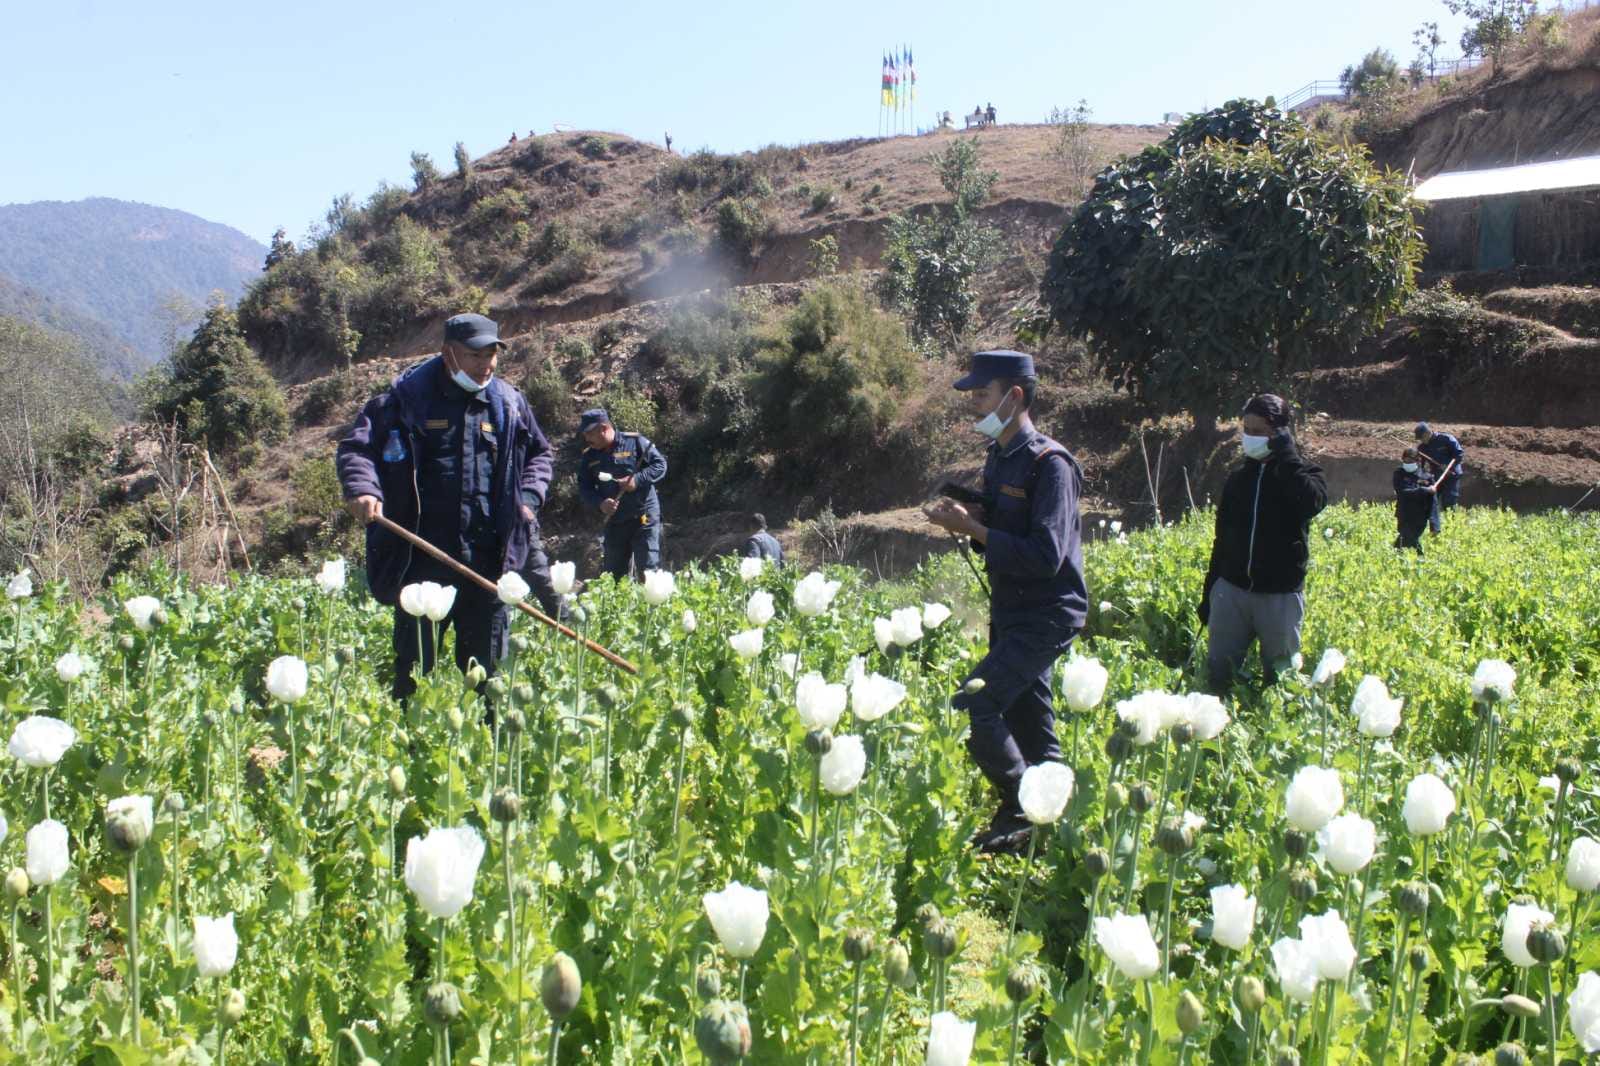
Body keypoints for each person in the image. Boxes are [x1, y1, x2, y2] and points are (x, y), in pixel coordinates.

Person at [337, 313, 554, 699]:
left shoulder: (508, 402)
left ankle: (487, 752)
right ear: (448, 354)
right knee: (415, 677)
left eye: (492, 354)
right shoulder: (406, 399)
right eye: (475, 355)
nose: (486, 364)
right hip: (421, 562)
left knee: (487, 678)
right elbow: (358, 448)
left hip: (487, 564)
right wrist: (363, 488)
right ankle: (416, 751)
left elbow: (540, 453)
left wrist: (529, 497)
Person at [926, 350, 1086, 855]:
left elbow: (1045, 556)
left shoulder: (1050, 465)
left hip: (1046, 612)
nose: (974, 406)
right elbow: (1004, 529)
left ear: (1014, 396)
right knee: (1027, 719)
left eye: (981, 395)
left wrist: (972, 527)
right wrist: (973, 514)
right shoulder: (1000, 457)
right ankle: (1058, 825)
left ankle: (1021, 808)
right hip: (1013, 608)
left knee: (975, 702)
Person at [1198, 394, 1327, 692]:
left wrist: (1288, 456)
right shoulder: (1238, 480)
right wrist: (1210, 592)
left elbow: (1311, 503)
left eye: (1259, 431)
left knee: (1280, 684)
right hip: (1231, 592)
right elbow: (1222, 541)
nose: (1250, 438)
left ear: (1280, 433)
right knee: (1218, 679)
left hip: (1279, 597)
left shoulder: (1304, 474)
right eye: (1247, 430)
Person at [577, 408, 668, 580]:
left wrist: (637, 480)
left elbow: (660, 465)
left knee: (648, 572)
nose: (587, 438)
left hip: (643, 517)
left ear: (603, 428)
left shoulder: (635, 442)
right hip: (616, 521)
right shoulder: (589, 456)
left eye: (589, 433)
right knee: (613, 577)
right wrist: (600, 503)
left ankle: (652, 606)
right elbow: (584, 488)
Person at [1413, 421, 1464, 534]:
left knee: (1449, 501)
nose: (1421, 441)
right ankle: (1435, 530)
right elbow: (1421, 466)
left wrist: (1448, 466)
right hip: (1436, 476)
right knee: (1432, 501)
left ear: (1427, 433)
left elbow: (1459, 454)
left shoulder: (1446, 439)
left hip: (1452, 475)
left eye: (1421, 438)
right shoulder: (1422, 448)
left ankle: (1453, 528)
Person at [1393, 447, 1435, 553]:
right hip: (1404, 514)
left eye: (1410, 461)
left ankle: (1417, 556)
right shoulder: (1399, 474)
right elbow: (1403, 492)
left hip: (1420, 516)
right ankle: (1415, 558)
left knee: (1408, 537)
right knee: (1405, 537)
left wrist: (1434, 524)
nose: (1407, 463)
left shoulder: (1427, 477)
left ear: (1418, 461)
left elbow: (1433, 502)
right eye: (1405, 461)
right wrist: (1424, 490)